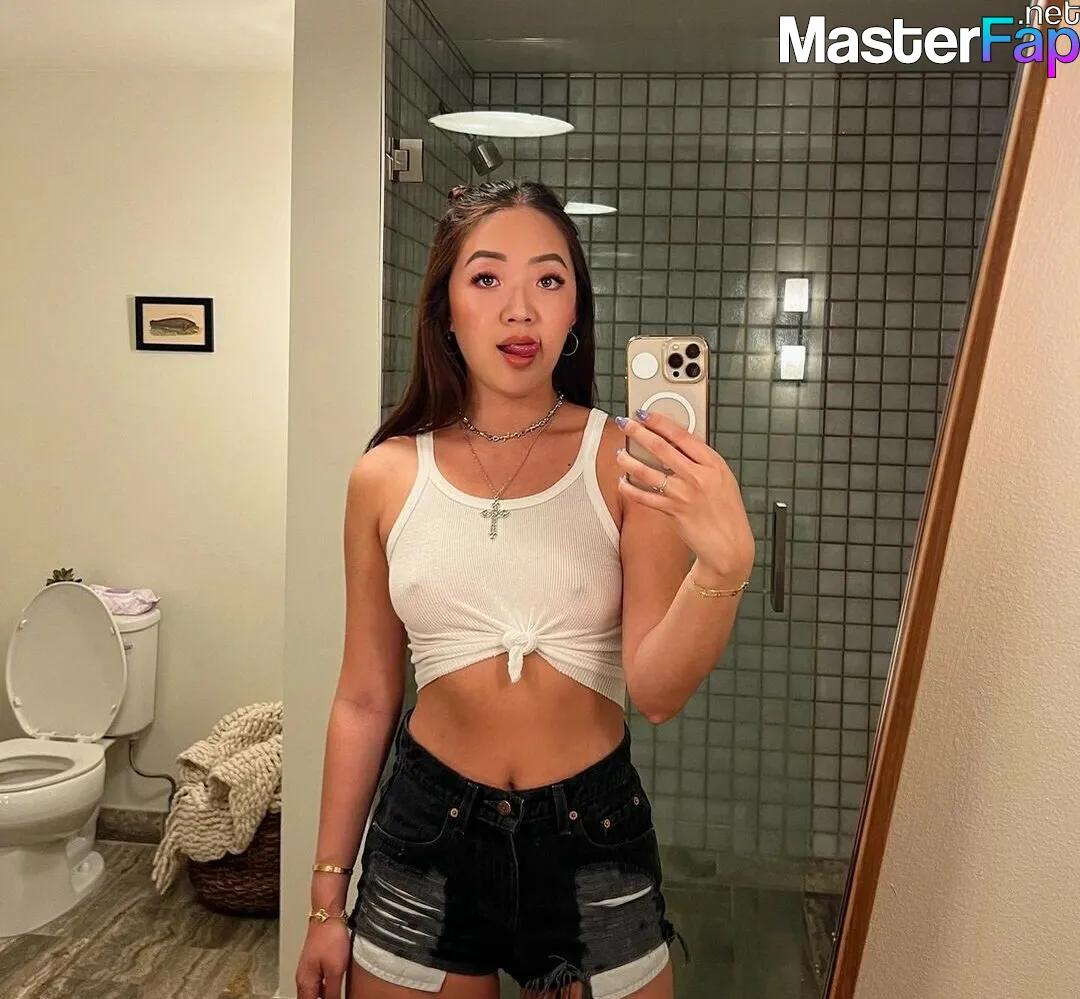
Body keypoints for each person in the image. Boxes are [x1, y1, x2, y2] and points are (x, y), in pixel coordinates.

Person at [295, 179, 754, 999]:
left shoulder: (626, 461)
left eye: (548, 279)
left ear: (575, 309)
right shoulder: (385, 475)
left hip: (593, 837)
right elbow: (364, 697)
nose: (519, 309)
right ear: (445, 310)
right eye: (486, 278)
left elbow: (655, 690)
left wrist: (723, 568)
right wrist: (327, 899)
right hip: (425, 834)